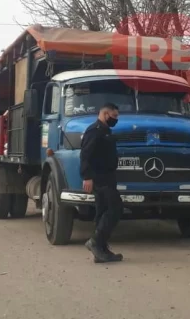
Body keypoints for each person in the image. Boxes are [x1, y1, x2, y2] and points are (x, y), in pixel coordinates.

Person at [80, 102, 124, 263]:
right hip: (100, 177)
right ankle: (96, 242)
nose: (116, 119)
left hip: (108, 176)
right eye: (114, 116)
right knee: (115, 208)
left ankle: (101, 250)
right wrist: (87, 177)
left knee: (102, 210)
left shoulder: (105, 131)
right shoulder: (94, 131)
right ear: (105, 114)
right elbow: (85, 154)